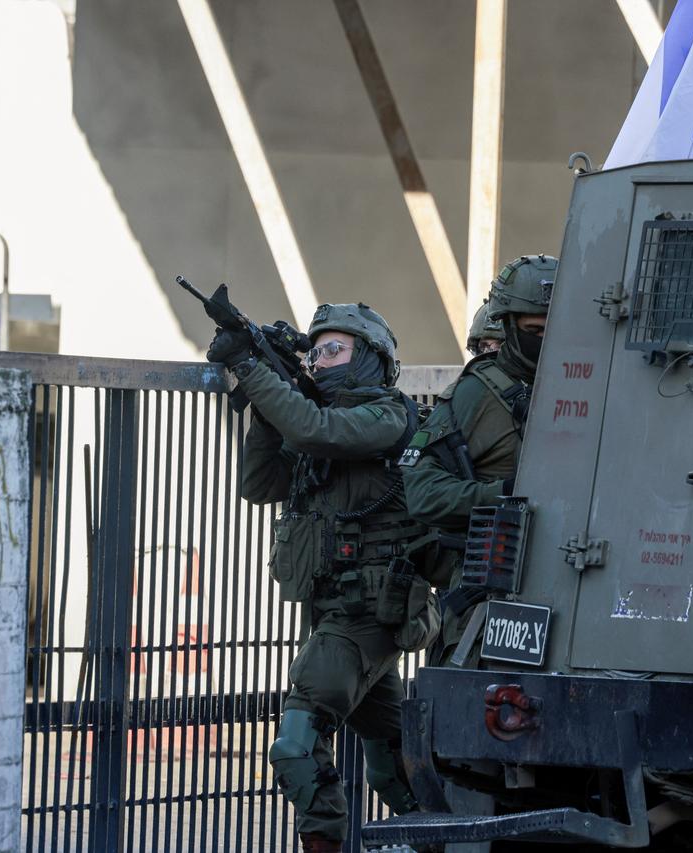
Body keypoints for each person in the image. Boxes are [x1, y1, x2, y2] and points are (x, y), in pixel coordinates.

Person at [206, 302, 434, 853]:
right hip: (343, 614)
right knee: (393, 764)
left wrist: (254, 372)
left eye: (335, 350)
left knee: (296, 747)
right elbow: (260, 484)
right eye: (315, 352)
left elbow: (316, 431)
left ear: (372, 360)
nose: (320, 361)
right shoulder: (316, 421)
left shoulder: (385, 416)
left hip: (365, 616)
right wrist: (268, 407)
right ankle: (449, 836)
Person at [400, 254, 556, 663]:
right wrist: (502, 495)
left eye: (558, 326)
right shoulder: (475, 394)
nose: (548, 338)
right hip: (494, 592)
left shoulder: (592, 384)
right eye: (535, 330)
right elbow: (422, 492)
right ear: (507, 325)